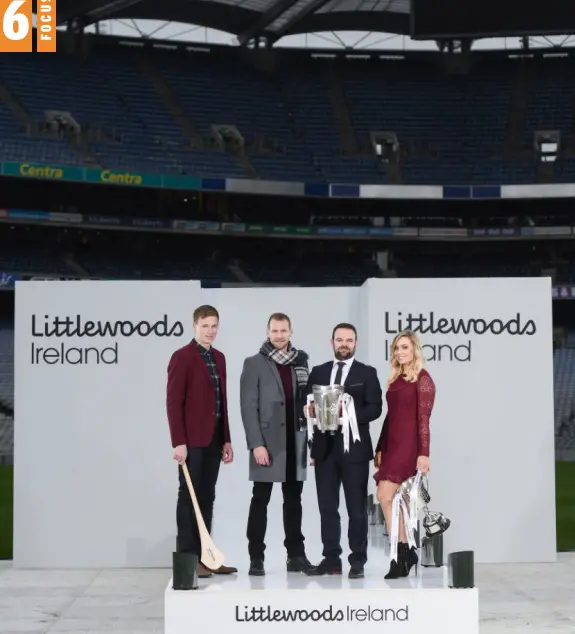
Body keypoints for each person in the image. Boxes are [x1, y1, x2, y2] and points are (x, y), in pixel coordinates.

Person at [305, 323, 383, 579]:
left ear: (356, 344)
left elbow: (375, 408)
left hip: (356, 452)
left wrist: (348, 413)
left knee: (356, 510)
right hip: (324, 451)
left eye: (349, 340)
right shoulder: (318, 372)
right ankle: (331, 559)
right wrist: (307, 411)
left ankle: (357, 560)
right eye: (340, 339)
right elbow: (305, 404)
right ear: (332, 342)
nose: (344, 344)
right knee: (327, 508)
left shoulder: (367, 373)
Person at [166, 304, 237, 579]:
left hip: (214, 440)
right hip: (191, 441)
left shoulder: (219, 357)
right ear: (195, 326)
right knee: (188, 498)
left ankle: (207, 558)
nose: (210, 331)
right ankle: (188, 560)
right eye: (205, 326)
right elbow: (174, 402)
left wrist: (227, 439)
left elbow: (222, 402)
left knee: (207, 498)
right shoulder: (182, 357)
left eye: (214, 326)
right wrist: (178, 441)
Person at [240, 312, 313, 576]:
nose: (279, 336)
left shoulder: (301, 361)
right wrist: (256, 444)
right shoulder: (254, 363)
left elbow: (308, 403)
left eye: (283, 331)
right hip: (267, 444)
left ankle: (295, 555)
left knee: (294, 501)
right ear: (267, 332)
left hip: (296, 441)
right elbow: (248, 408)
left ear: (290, 332)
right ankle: (256, 557)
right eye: (275, 331)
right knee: (260, 499)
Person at [374, 329, 436, 580]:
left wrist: (424, 454)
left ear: (414, 350)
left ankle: (403, 552)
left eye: (405, 347)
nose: (400, 352)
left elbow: (424, 420)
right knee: (398, 502)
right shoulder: (395, 380)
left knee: (384, 494)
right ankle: (405, 552)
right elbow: (390, 417)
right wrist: (380, 447)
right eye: (396, 348)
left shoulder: (423, 379)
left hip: (409, 446)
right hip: (392, 444)